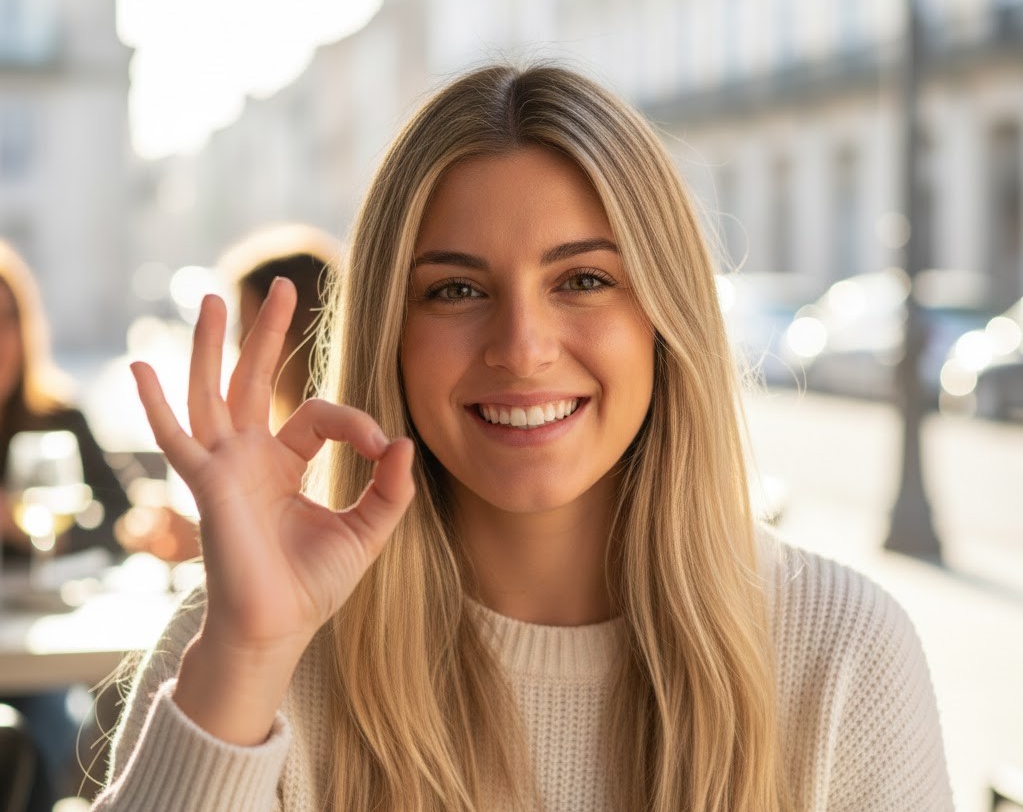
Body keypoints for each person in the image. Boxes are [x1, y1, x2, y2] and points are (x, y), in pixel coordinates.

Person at [92, 65, 953, 811]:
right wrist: (245, 656)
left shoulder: (842, 650)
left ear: (664, 317)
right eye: (455, 291)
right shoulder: (246, 628)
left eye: (582, 279)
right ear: (389, 334)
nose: (521, 347)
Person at [113, 223, 341, 562]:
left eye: (247, 327)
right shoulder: (274, 437)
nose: (238, 343)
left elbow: (310, 559)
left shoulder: (336, 448)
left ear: (299, 332)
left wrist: (204, 543)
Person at [0, 239, 132, 810]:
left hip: (39, 642)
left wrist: (28, 530)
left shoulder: (58, 418)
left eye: (7, 319)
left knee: (54, 732)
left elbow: (118, 520)